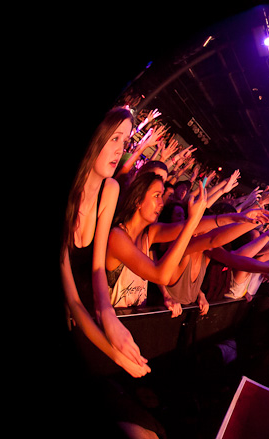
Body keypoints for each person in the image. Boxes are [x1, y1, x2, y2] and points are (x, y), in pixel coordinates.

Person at [60, 106, 150, 378]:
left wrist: (108, 313)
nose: (120, 150)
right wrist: (118, 358)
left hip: (87, 309)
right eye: (114, 138)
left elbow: (98, 267)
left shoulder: (110, 189)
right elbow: (72, 300)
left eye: (125, 142)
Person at [105, 171, 207, 310]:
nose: (161, 203)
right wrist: (192, 221)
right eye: (157, 195)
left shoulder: (148, 234)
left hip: (135, 319)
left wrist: (236, 218)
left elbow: (204, 228)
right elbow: (161, 276)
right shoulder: (118, 236)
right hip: (113, 320)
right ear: (138, 201)